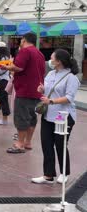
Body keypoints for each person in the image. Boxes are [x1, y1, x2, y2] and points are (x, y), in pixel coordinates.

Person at [31, 49, 80, 184]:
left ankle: (65, 172)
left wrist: (51, 101)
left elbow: (69, 98)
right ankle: (48, 174)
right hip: (48, 115)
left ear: (59, 61)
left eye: (52, 58)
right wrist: (42, 89)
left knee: (60, 144)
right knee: (46, 144)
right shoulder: (51, 74)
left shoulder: (71, 77)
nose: (50, 61)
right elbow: (48, 89)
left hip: (63, 115)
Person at [2, 33, 45, 154]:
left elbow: (18, 67)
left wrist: (7, 67)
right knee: (32, 117)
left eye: (21, 39)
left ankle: (20, 144)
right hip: (36, 90)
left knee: (21, 117)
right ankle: (28, 142)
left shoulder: (25, 51)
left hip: (24, 90)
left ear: (24, 40)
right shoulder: (39, 53)